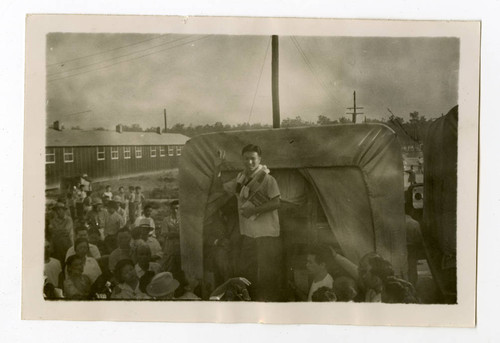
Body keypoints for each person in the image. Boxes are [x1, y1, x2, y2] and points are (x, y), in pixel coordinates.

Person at [217, 144, 282, 301]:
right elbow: (221, 188)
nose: (249, 162)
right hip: (248, 233)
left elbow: (276, 202)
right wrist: (218, 167)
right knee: (248, 272)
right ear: (242, 160)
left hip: (266, 234)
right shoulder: (240, 179)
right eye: (246, 159)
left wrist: (253, 211)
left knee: (266, 272)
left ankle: (267, 303)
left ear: (259, 159)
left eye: (253, 159)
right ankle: (251, 300)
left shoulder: (267, 179)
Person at [160, 200, 181, 274]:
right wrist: (178, 234)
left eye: (178, 208)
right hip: (170, 247)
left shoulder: (183, 220)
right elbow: (164, 233)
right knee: (170, 268)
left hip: (181, 247)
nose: (176, 210)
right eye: (174, 208)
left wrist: (172, 233)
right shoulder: (166, 220)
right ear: (171, 209)